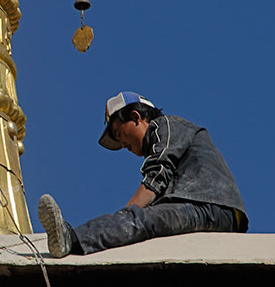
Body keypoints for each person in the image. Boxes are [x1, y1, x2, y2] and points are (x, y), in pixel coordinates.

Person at [38, 91, 248, 258]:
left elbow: (156, 178)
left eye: (119, 135)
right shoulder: (170, 135)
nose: (123, 145)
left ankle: (71, 239)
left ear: (136, 117)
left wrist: (124, 217)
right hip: (216, 210)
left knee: (138, 219)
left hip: (210, 206)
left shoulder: (164, 125)